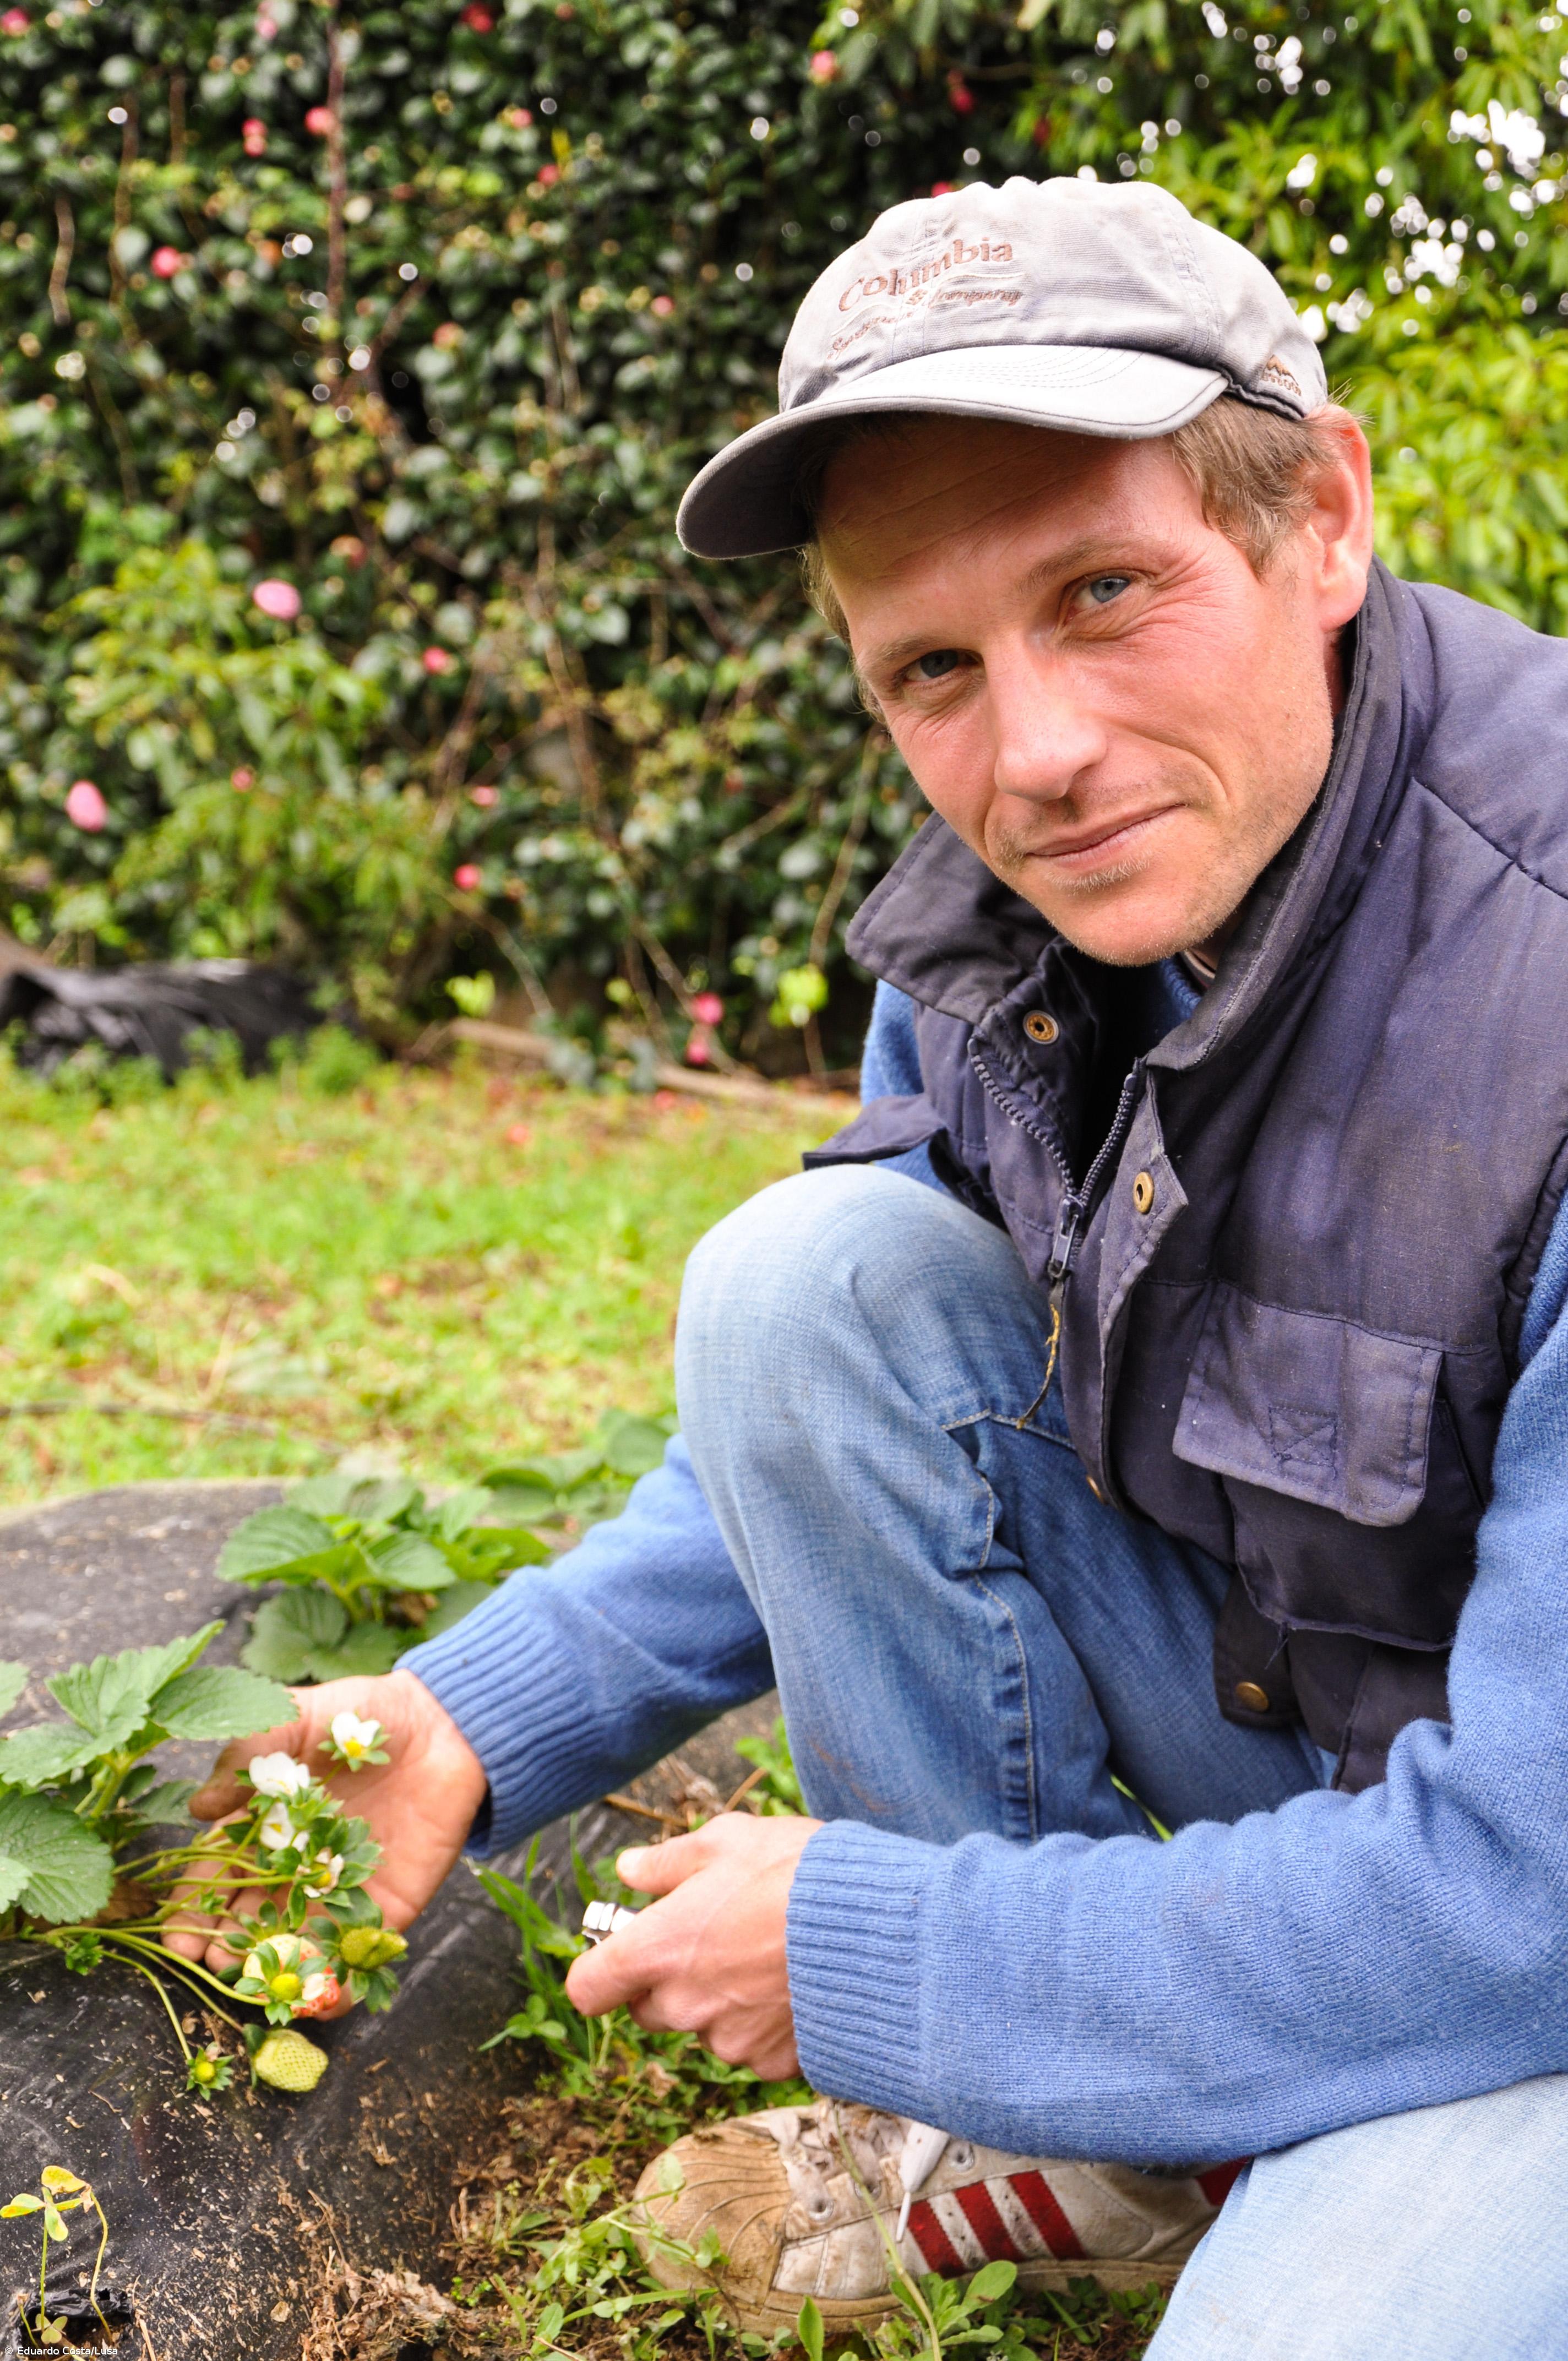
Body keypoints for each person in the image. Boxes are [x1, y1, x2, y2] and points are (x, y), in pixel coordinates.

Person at [173, 179, 1568, 2358]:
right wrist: (460, 1718)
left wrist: (895, 1949)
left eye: (1102, 593)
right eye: (932, 668)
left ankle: (1220, 2116)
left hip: (1535, 1900)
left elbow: (1531, 1894)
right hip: (1357, 1766)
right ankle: (1106, 2139)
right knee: (807, 1280)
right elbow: (859, 1396)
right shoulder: (1020, 931)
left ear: (1319, 518)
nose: (1037, 758)